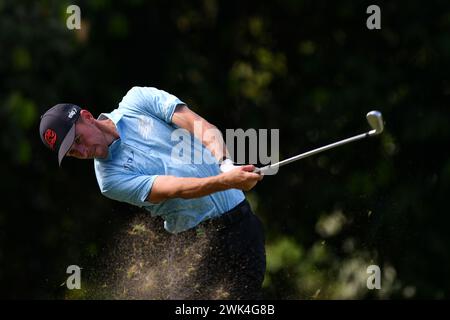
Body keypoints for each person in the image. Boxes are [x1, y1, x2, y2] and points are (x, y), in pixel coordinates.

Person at [39, 86, 266, 299]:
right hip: (197, 248)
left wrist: (225, 164)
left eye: (77, 140)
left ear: (87, 117)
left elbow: (199, 125)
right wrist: (226, 181)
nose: (81, 151)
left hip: (243, 227)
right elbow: (176, 188)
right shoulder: (109, 180)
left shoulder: (138, 101)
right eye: (72, 152)